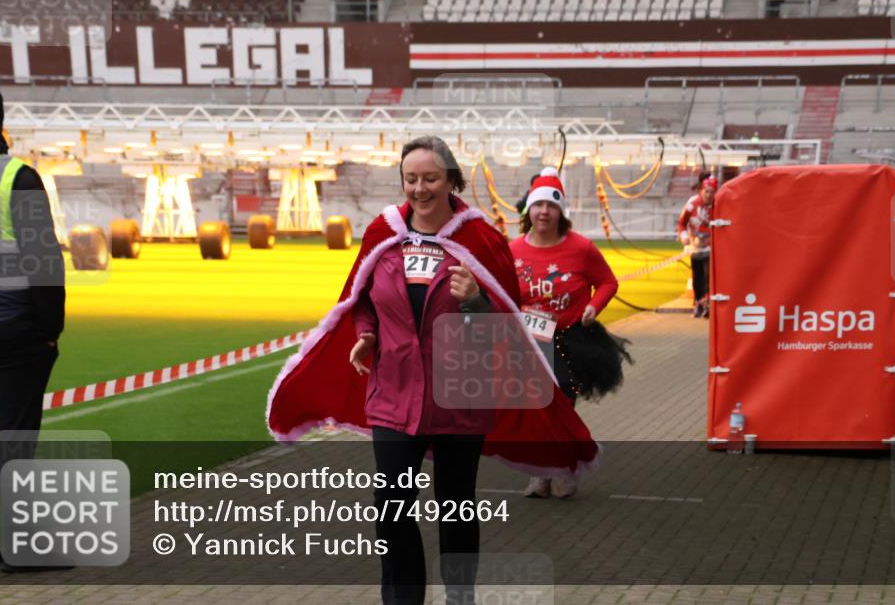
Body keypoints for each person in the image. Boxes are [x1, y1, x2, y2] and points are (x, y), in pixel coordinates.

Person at [266, 137, 598, 604]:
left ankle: (460, 596)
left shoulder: (481, 239)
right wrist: (366, 335)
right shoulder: (383, 233)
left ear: (452, 180)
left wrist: (477, 302)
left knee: (456, 508)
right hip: (393, 395)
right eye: (411, 178)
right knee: (392, 512)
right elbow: (360, 300)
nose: (419, 188)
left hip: (460, 397)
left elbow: (508, 321)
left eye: (431, 178)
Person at [0, 76, 65, 568]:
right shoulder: (14, 176)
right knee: (15, 441)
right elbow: (44, 266)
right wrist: (50, 331)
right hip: (13, 334)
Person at [510, 167, 632, 499]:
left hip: (570, 341)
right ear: (528, 210)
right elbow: (504, 293)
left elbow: (608, 282)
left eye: (551, 206)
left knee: (562, 406)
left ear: (561, 211)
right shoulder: (513, 250)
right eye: (537, 206)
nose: (544, 212)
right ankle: (540, 475)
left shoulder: (581, 248)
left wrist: (594, 306)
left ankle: (564, 471)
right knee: (535, 411)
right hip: (530, 343)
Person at [677, 175, 717, 318]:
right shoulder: (691, 204)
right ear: (701, 191)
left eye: (712, 192)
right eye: (706, 191)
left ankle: (708, 304)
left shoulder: (719, 205)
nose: (709, 195)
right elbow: (681, 223)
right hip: (694, 247)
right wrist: (684, 237)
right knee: (697, 277)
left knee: (708, 277)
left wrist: (712, 240)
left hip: (711, 248)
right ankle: (699, 303)